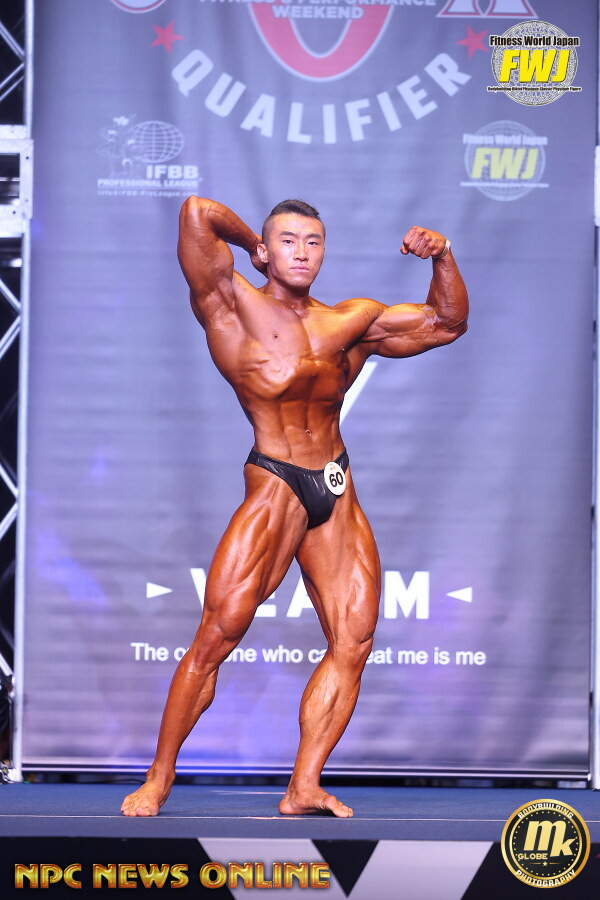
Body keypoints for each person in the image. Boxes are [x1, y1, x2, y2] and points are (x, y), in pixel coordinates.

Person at [121, 198, 468, 818]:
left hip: (335, 481)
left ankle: (303, 785)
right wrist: (249, 243)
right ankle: (159, 776)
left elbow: (446, 323)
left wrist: (442, 255)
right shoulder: (230, 304)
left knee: (354, 639)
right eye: (287, 241)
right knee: (218, 634)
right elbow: (197, 213)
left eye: (313, 241)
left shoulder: (351, 321)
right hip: (276, 480)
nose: (301, 252)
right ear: (266, 250)